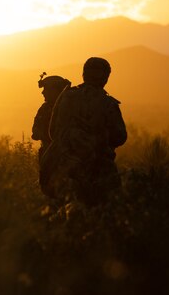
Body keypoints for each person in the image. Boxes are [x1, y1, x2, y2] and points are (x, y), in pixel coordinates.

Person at [44, 57, 127, 206]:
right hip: (99, 169)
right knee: (109, 211)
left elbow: (52, 132)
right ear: (105, 77)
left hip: (65, 170)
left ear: (84, 74)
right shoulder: (108, 103)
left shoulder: (66, 96)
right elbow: (120, 136)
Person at [31, 73, 71, 193]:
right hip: (53, 157)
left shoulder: (64, 108)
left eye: (46, 89)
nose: (43, 93)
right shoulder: (47, 108)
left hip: (59, 158)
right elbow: (36, 133)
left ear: (56, 90)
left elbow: (36, 133)